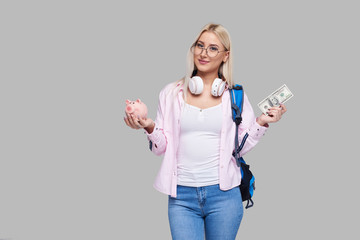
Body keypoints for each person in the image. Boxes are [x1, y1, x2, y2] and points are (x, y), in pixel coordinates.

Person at [124, 23, 287, 240]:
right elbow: (160, 147)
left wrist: (261, 122)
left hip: (224, 196)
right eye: (200, 45)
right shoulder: (171, 94)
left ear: (225, 56)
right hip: (182, 196)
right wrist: (148, 126)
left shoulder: (234, 96)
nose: (203, 53)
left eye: (212, 48)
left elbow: (239, 148)